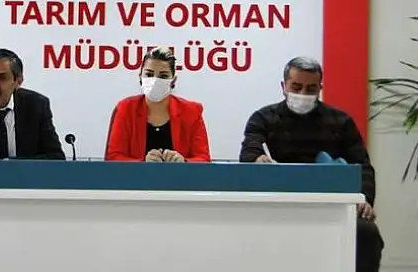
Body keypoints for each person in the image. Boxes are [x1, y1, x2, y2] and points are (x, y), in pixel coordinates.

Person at [239, 56, 384, 272]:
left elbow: (362, 166)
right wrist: (256, 158)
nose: (303, 94)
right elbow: (249, 150)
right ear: (283, 86)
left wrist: (365, 199)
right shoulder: (263, 118)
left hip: (332, 204)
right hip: (278, 204)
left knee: (366, 233)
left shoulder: (341, 122)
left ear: (320, 89)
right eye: (296, 87)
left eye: (311, 89)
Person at [105, 47, 211, 162]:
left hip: (180, 174)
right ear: (140, 77)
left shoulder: (192, 111)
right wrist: (142, 163)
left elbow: (203, 158)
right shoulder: (126, 108)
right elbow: (113, 157)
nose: (155, 80)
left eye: (163, 76)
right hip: (136, 174)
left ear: (173, 80)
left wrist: (184, 162)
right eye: (149, 74)